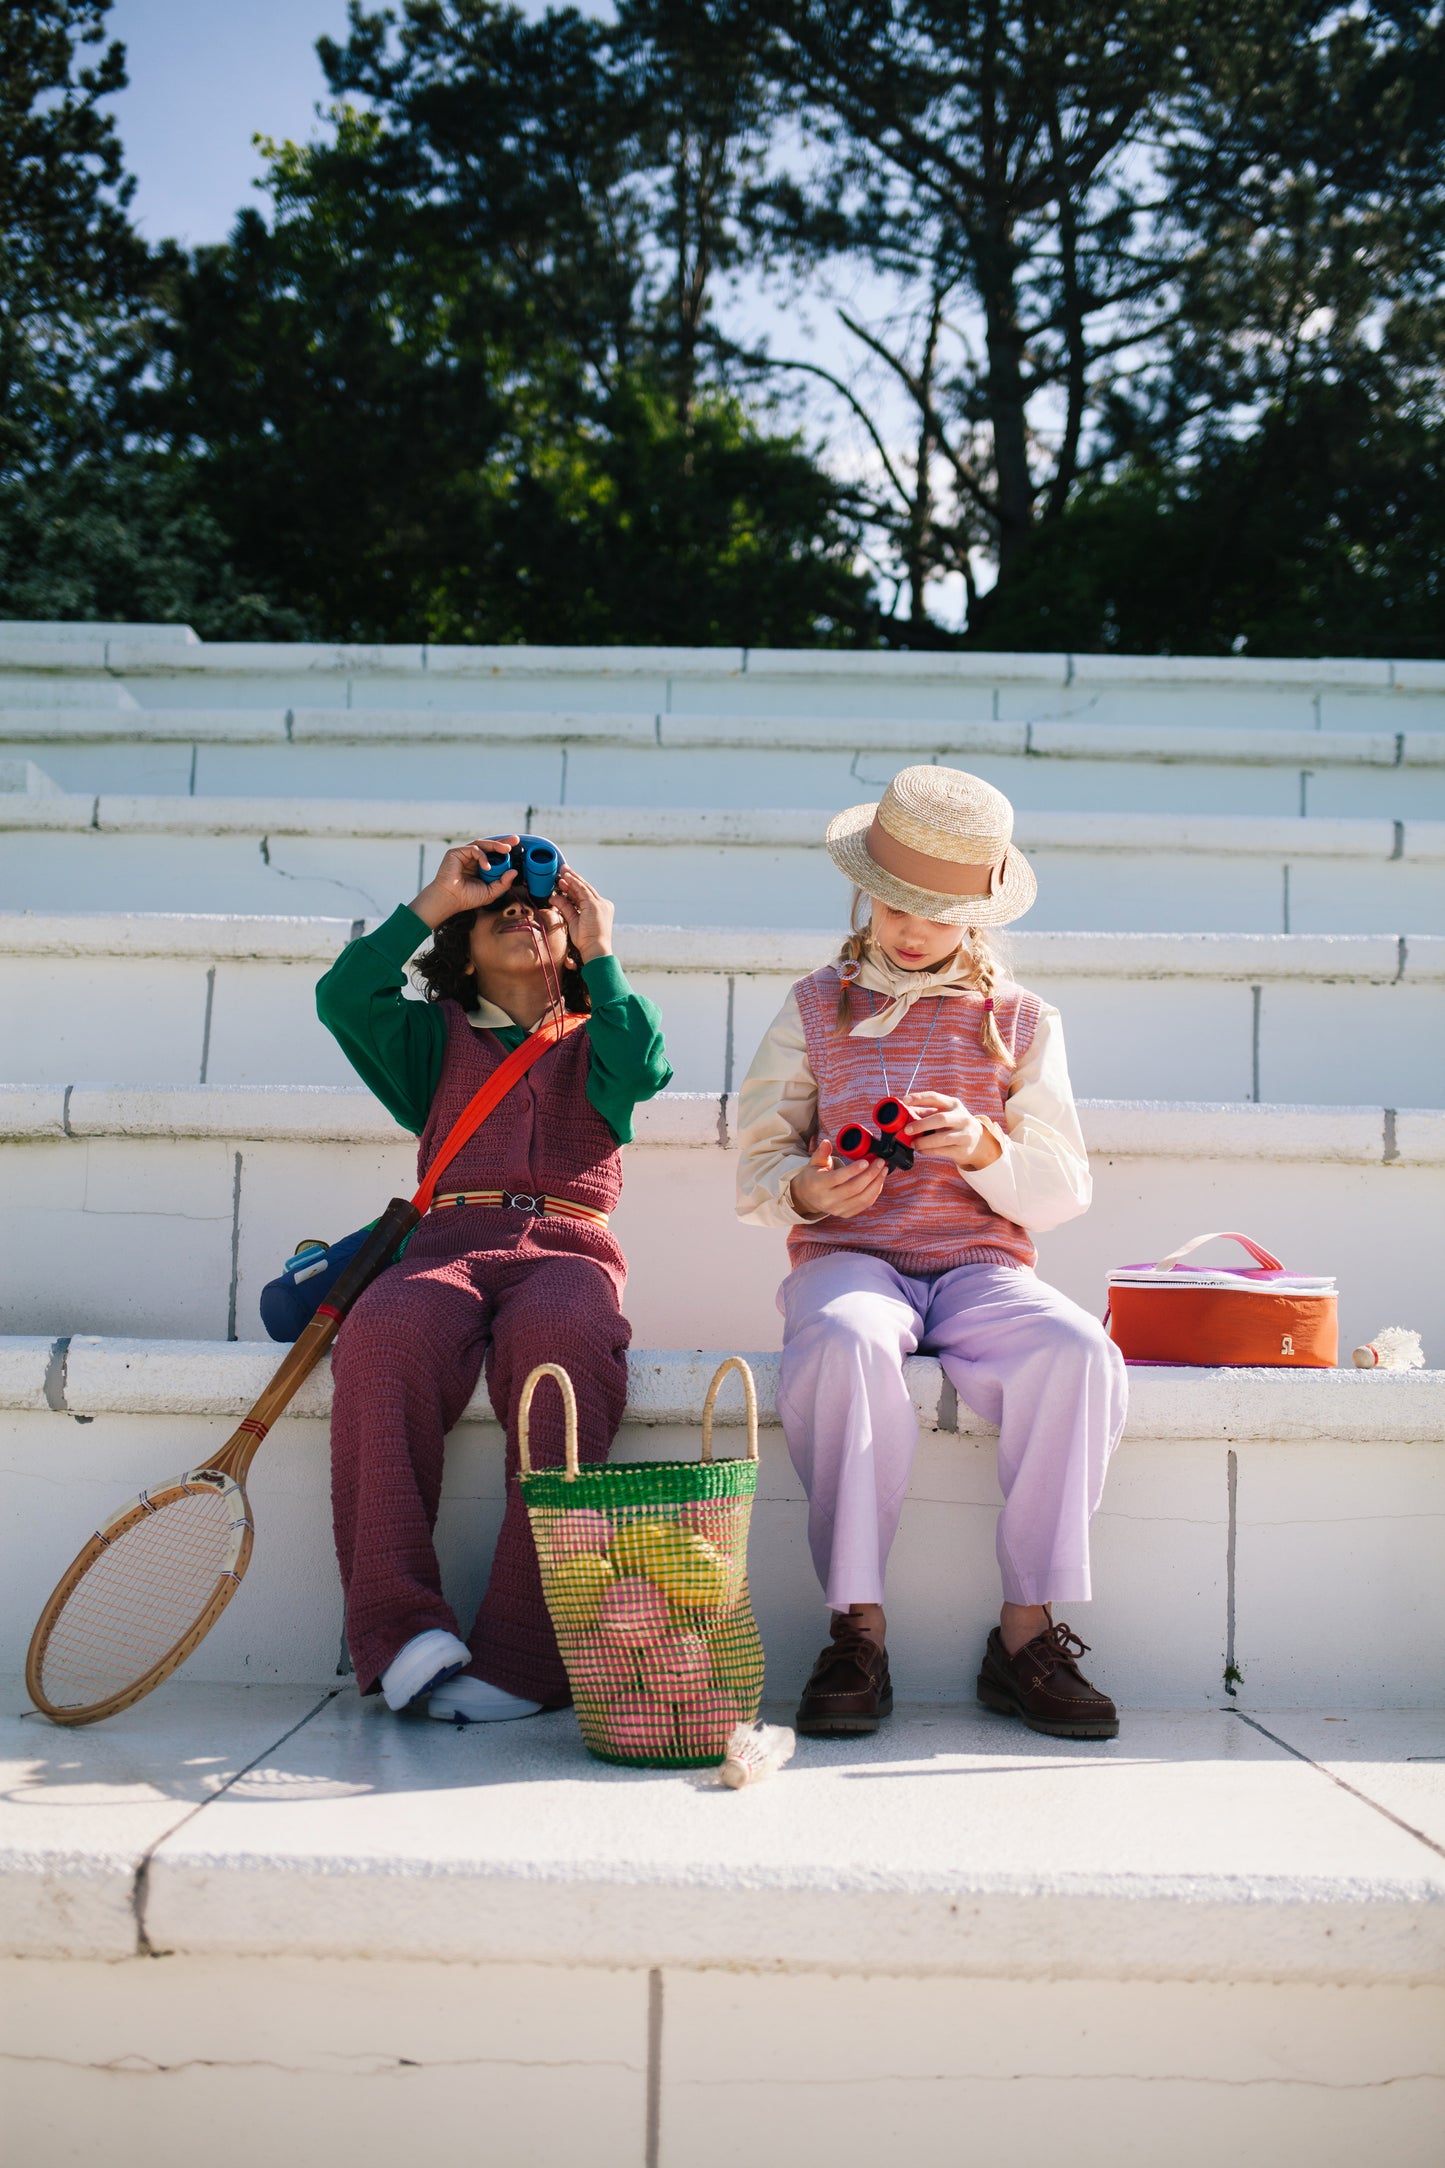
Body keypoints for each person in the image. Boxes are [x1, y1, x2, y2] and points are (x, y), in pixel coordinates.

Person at [735, 767, 1126, 1740]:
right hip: (851, 1252)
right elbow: (757, 1157)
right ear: (863, 889)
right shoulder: (815, 1004)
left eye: (942, 911)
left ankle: (1026, 1626)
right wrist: (806, 1189)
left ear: (980, 913)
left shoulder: (1020, 1020)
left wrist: (984, 1147)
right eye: (898, 901)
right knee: (845, 1335)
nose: (914, 928)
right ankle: (854, 1623)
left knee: (1077, 1351)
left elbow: (1063, 1183)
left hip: (979, 1263)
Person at [315, 837, 671, 1723]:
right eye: (496, 911)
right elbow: (342, 995)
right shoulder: (427, 1040)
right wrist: (435, 898)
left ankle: (526, 1650)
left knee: (567, 1342)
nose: (523, 913)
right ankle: (397, 1631)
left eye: (543, 908)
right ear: (459, 949)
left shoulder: (602, 1036)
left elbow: (648, 1066)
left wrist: (601, 950)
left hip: (566, 1247)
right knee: (383, 1334)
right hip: (444, 1243)